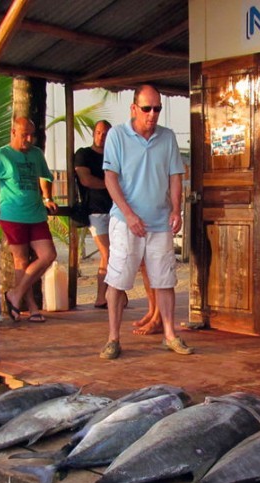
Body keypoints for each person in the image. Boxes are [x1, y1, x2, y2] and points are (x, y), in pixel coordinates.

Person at [99, 84, 191, 359]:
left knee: (165, 279)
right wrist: (128, 214)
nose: (152, 114)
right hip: (126, 221)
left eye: (157, 109)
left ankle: (170, 335)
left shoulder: (168, 137)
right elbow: (110, 177)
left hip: (160, 221)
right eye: (147, 108)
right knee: (117, 279)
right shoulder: (116, 135)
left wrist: (177, 209)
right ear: (134, 108)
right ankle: (113, 339)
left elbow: (176, 176)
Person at [0, 117, 57, 323]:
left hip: (36, 213)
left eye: (31, 135)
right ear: (13, 132)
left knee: (48, 255)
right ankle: (31, 307)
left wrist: (47, 197)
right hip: (13, 214)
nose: (28, 139)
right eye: (24, 134)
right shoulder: (0, 155)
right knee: (21, 261)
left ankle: (14, 295)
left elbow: (46, 176)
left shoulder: (36, 154)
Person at [74, 120, 115, 308]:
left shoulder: (114, 156)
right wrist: (111, 185)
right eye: (98, 132)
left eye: (105, 133)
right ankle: (102, 297)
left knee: (115, 254)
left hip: (115, 210)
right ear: (93, 133)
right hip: (95, 212)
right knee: (107, 253)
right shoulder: (84, 154)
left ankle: (111, 295)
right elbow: (86, 180)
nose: (101, 137)